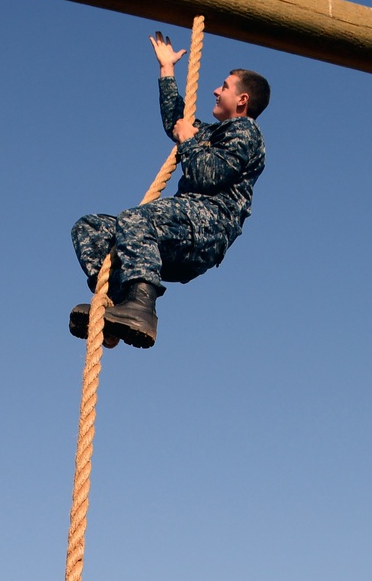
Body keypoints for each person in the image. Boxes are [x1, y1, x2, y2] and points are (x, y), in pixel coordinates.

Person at [69, 32, 270, 349]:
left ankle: (141, 307)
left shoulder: (245, 131)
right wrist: (167, 70)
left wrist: (188, 141)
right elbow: (177, 121)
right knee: (91, 228)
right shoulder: (214, 132)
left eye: (226, 87)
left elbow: (208, 174)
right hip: (178, 231)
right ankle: (114, 303)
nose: (216, 91)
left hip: (206, 228)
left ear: (242, 99)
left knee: (136, 219)